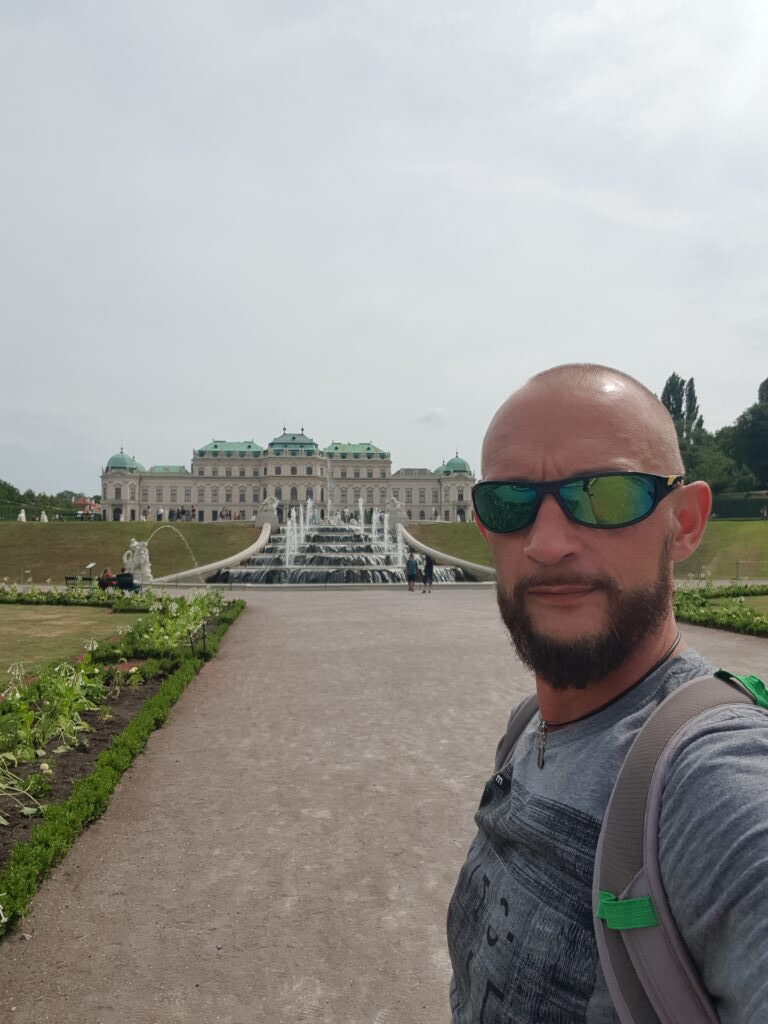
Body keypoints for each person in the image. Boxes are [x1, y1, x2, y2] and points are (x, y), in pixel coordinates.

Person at [447, 364, 768, 1023]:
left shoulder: (716, 783)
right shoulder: (527, 727)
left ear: (685, 522)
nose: (546, 544)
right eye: (510, 503)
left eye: (606, 495)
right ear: (484, 525)